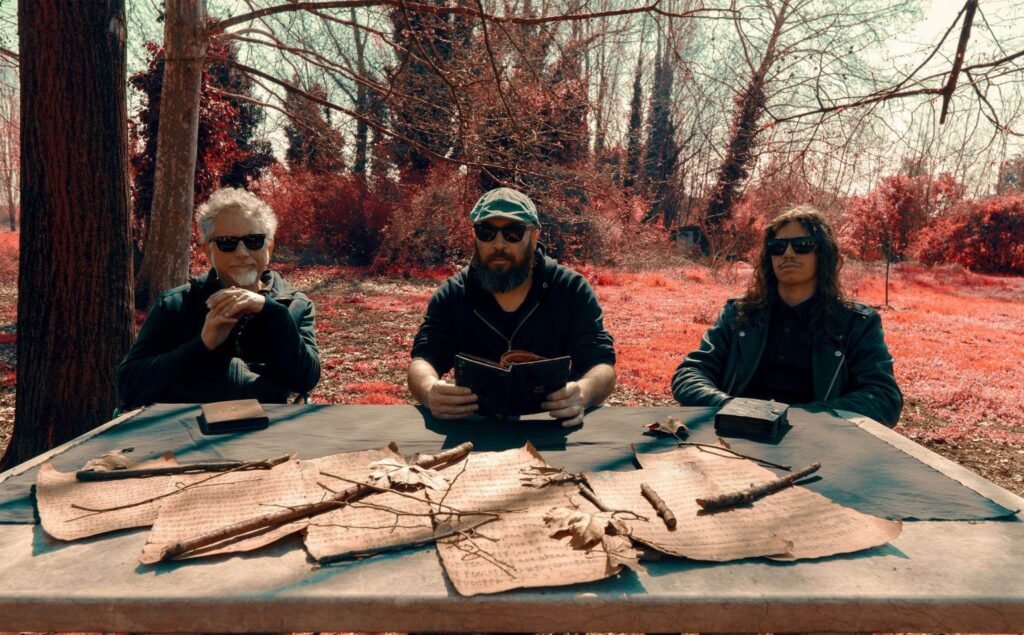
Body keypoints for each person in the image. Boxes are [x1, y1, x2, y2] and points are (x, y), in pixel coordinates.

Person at [671, 205, 903, 427]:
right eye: (777, 246)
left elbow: (883, 397)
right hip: (738, 435)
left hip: (817, 441)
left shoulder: (856, 324)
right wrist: (732, 407)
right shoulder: (740, 315)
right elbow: (690, 373)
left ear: (823, 253)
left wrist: (803, 419)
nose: (788, 253)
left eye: (803, 245)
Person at [408, 187, 616, 427]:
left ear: (534, 236)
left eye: (513, 233)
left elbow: (602, 365)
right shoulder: (454, 293)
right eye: (486, 232)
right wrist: (429, 391)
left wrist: (583, 393)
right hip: (476, 427)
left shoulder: (570, 289)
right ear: (474, 236)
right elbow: (424, 358)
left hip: (552, 425)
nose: (499, 244)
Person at [116, 187, 321, 409]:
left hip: (266, 426)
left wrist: (272, 312)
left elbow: (306, 380)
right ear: (207, 250)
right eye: (227, 242)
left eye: (254, 240)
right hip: (190, 426)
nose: (242, 253)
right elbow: (129, 386)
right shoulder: (175, 304)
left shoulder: (295, 306)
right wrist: (202, 345)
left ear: (269, 246)